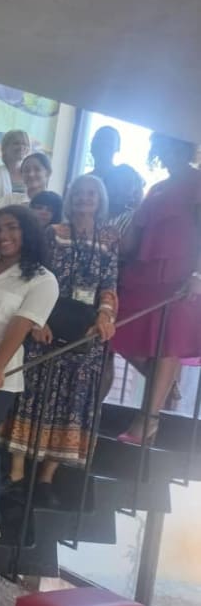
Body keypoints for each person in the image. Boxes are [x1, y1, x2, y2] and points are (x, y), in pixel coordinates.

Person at [2, 176, 117, 507]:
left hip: (85, 329)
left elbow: (110, 282)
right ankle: (17, 472)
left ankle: (47, 478)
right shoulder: (54, 234)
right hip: (49, 323)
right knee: (34, 394)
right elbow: (38, 276)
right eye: (79, 193)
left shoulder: (110, 239)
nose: (84, 199)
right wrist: (39, 320)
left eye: (91, 194)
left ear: (100, 199)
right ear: (70, 199)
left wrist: (105, 316)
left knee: (71, 400)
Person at [0, 206, 59, 542]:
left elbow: (20, 325)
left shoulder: (42, 279)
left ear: (28, 231)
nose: (4, 236)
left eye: (12, 228)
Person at [114, 133, 201, 443]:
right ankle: (162, 384)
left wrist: (197, 274)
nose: (166, 152)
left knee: (169, 341)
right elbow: (137, 232)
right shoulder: (158, 186)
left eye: (173, 146)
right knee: (116, 332)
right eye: (162, 146)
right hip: (146, 272)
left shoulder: (197, 181)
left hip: (180, 272)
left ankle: (148, 419)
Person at [88, 126, 145, 219]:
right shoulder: (81, 183)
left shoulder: (131, 180)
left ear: (117, 147)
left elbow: (138, 215)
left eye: (109, 141)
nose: (103, 144)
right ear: (91, 146)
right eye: (99, 140)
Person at [0, 152, 54, 216]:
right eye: (26, 170)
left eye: (37, 169)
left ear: (48, 173)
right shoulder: (10, 199)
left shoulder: (54, 203)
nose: (31, 174)